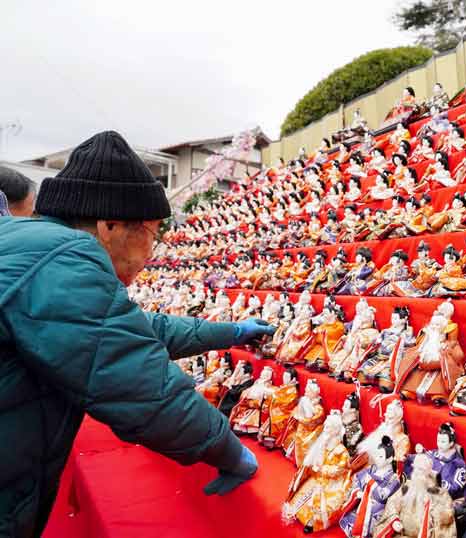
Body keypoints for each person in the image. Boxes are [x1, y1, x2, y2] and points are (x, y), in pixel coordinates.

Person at [0, 131, 276, 538]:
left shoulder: (35, 246)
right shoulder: (66, 259)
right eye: (150, 234)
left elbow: (138, 331)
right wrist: (228, 450)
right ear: (110, 225)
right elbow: (142, 387)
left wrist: (231, 332)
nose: (151, 253)